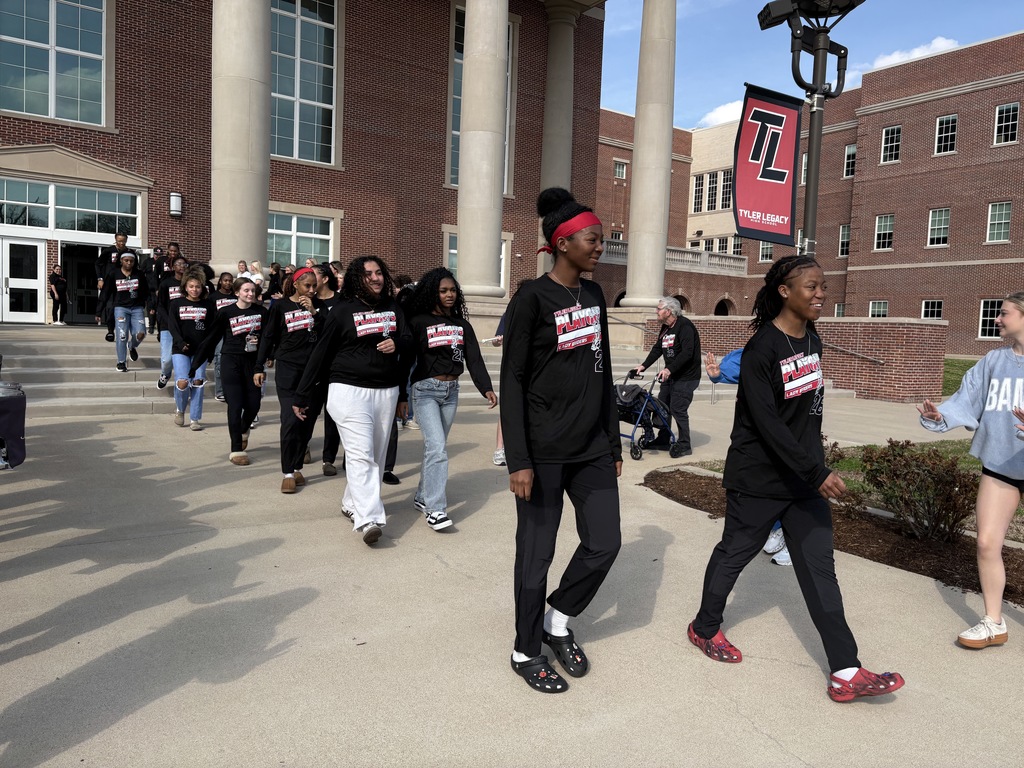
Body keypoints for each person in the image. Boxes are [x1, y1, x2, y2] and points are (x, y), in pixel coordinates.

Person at [687, 254, 905, 703]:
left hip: (803, 480)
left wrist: (812, 466)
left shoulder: (812, 342)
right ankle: (704, 628)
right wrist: (815, 470)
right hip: (758, 477)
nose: (821, 294)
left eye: (823, 286)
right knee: (735, 553)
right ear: (785, 291)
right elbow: (767, 424)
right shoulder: (762, 350)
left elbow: (806, 416)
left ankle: (845, 670)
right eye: (812, 286)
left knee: (820, 568)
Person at [501, 187, 621, 694]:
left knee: (605, 542)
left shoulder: (593, 296)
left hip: (591, 448)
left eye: (602, 239)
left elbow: (603, 369)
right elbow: (512, 380)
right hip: (543, 451)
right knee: (537, 555)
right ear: (563, 243)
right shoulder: (531, 297)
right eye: (593, 239)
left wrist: (613, 440)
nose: (600, 247)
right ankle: (525, 650)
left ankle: (558, 620)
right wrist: (518, 459)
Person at [918, 291, 1024, 649]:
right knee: (986, 542)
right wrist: (940, 416)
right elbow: (967, 400)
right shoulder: (994, 361)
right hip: (1000, 464)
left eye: (1004, 313)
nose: (997, 319)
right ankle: (994, 622)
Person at [292, 256, 410, 546]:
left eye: (379, 272)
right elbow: (321, 353)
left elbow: (409, 341)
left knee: (376, 456)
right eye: (368, 274)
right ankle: (368, 518)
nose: (375, 278)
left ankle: (350, 502)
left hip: (385, 390)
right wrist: (303, 393)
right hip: (348, 390)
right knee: (360, 454)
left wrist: (397, 344)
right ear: (357, 278)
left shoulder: (393, 307)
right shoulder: (343, 311)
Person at [406, 267, 497, 530]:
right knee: (437, 448)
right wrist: (401, 396)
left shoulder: (462, 325)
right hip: (425, 390)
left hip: (451, 392)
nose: (449, 295)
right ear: (432, 293)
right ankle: (435, 510)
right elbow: (406, 359)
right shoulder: (418, 322)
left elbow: (474, 358)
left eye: (453, 290)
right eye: (443, 291)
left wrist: (486, 387)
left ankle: (422, 496)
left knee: (435, 448)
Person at [705, 349, 791, 567]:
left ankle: (796, 542)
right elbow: (736, 367)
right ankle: (776, 528)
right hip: (759, 433)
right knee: (762, 484)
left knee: (789, 485)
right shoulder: (755, 351)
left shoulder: (796, 351)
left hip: (789, 428)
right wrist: (718, 375)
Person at [255, 268, 325, 493]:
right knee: (290, 419)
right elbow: (268, 336)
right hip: (288, 368)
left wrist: (314, 312)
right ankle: (287, 472)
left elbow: (328, 334)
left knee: (307, 421)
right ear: (295, 285)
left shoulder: (320, 307)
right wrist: (259, 366)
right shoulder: (281, 306)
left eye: (314, 286)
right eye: (307, 286)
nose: (312, 290)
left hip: (313, 372)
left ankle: (296, 467)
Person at [191, 278, 268, 466]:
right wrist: (195, 364)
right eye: (246, 290)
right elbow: (211, 338)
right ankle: (236, 449)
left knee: (254, 404)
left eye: (252, 290)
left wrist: (269, 356)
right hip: (230, 361)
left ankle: (243, 429)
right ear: (237, 292)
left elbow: (269, 338)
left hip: (253, 363)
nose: (250, 294)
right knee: (235, 404)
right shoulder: (226, 312)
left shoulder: (261, 312)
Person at [633, 297, 701, 458]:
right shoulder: (665, 328)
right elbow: (658, 348)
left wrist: (669, 369)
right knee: (662, 407)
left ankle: (685, 444)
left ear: (668, 311)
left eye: (659, 309)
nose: (656, 311)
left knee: (678, 408)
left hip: (686, 377)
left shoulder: (685, 326)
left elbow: (687, 353)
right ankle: (664, 439)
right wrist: (643, 366)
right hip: (670, 375)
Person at [167, 269, 217, 431]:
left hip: (200, 351)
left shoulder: (208, 305)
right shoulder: (176, 304)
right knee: (182, 382)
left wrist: (210, 351)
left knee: (197, 382)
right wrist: (180, 342)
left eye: (198, 287)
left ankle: (195, 418)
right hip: (180, 349)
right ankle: (180, 409)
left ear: (202, 288)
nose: (194, 289)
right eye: (191, 286)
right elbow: (172, 326)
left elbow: (212, 330)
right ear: (185, 287)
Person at [311, 263, 343, 476]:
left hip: (336, 364)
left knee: (333, 413)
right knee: (309, 410)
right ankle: (303, 446)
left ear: (324, 278)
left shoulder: (341, 302)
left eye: (313, 275)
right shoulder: (307, 300)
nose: (309, 279)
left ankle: (328, 459)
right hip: (311, 363)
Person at [96, 251, 147, 372]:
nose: (129, 263)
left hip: (137, 308)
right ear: (121, 261)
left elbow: (146, 292)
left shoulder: (139, 274)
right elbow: (105, 292)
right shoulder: (114, 273)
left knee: (141, 333)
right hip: (120, 308)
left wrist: (150, 306)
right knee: (122, 335)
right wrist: (99, 311)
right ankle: (121, 362)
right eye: (126, 260)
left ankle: (132, 346)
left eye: (131, 261)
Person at [155, 255, 189, 389]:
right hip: (168, 325)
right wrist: (168, 320)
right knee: (167, 359)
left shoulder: (190, 284)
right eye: (179, 264)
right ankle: (165, 373)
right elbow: (160, 306)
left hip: (185, 326)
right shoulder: (166, 284)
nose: (182, 266)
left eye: (184, 264)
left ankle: (183, 384)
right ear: (173, 267)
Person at [96, 233, 136, 342]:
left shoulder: (129, 252)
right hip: (110, 282)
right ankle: (110, 331)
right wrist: (100, 279)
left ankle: (124, 331)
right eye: (119, 241)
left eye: (123, 241)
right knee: (110, 307)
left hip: (124, 283)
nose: (121, 243)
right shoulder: (108, 251)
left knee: (123, 307)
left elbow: (135, 267)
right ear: (115, 240)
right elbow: (98, 264)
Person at [212, 272, 238, 402]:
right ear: (220, 282)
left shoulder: (236, 297)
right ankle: (220, 391)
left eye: (230, 280)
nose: (228, 283)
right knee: (219, 360)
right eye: (225, 280)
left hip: (234, 332)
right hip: (219, 333)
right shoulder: (213, 297)